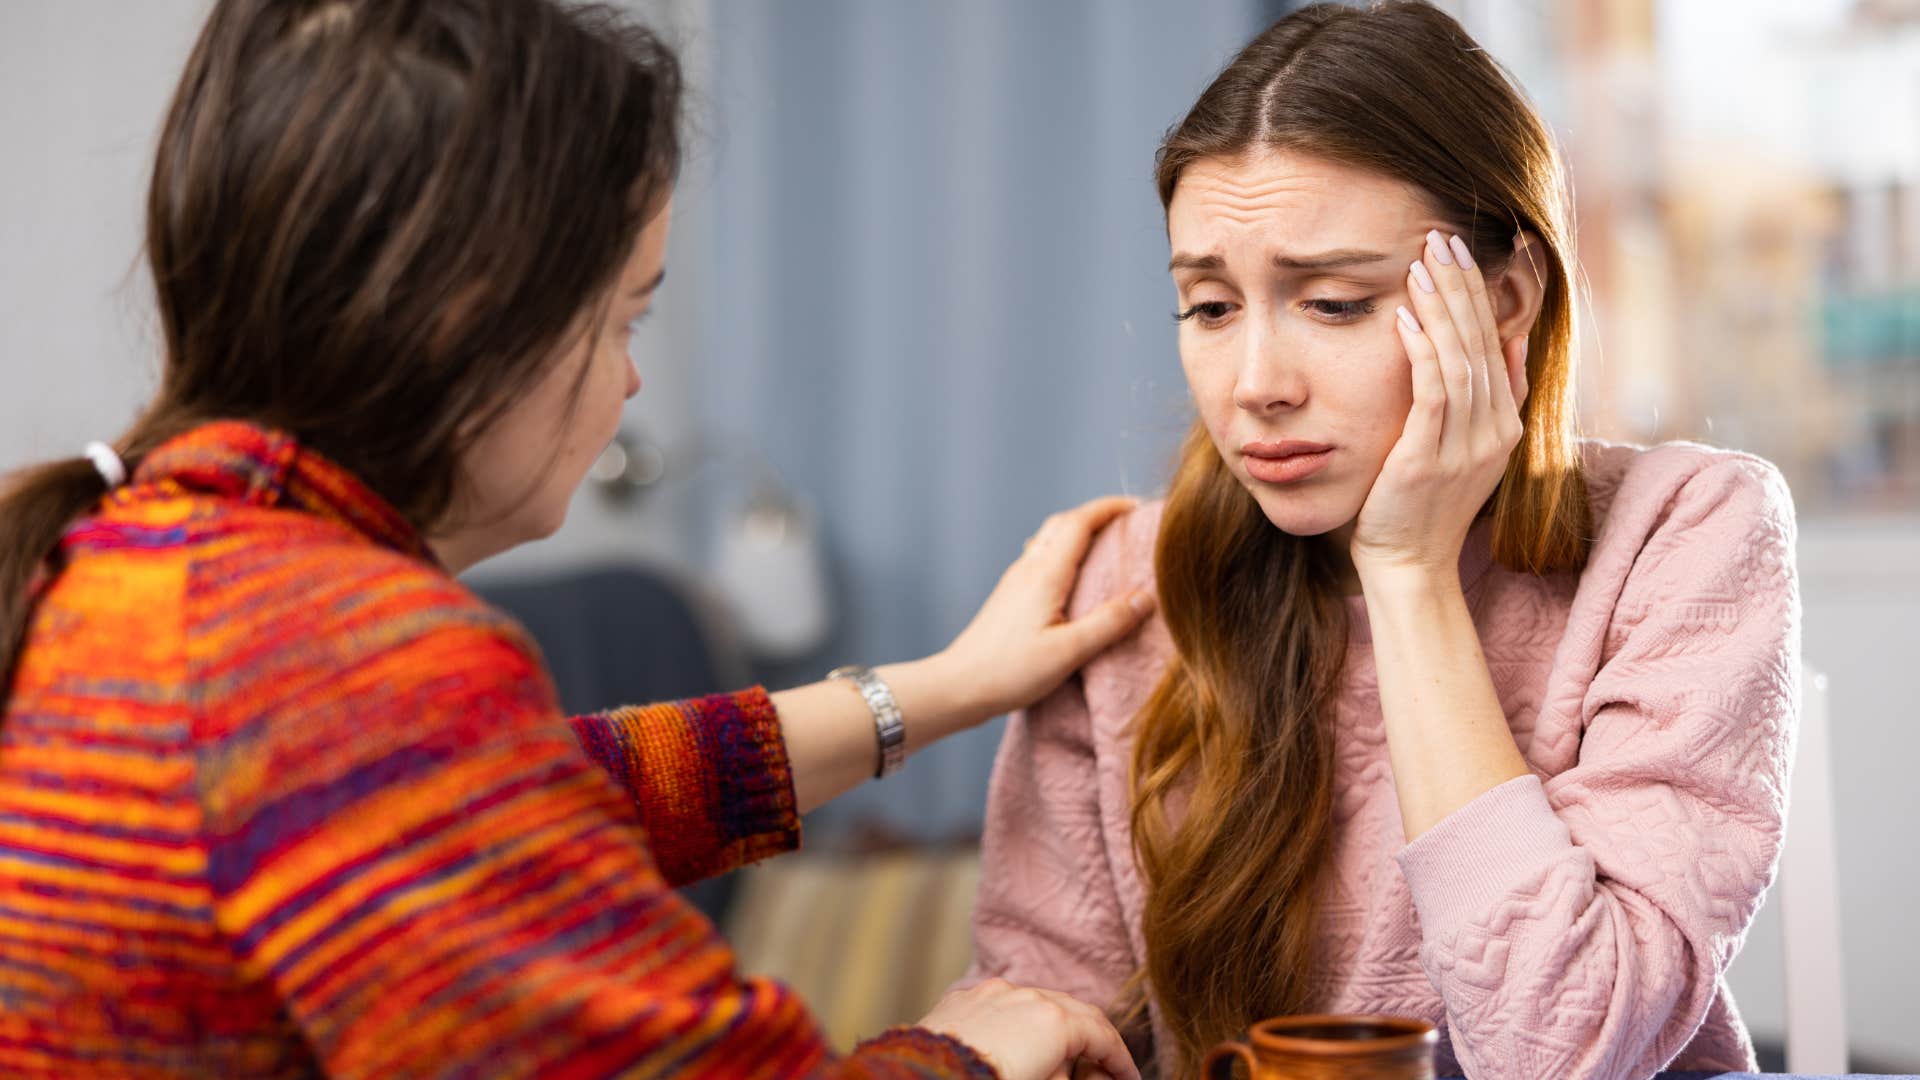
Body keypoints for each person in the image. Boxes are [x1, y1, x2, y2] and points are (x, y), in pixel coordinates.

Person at [0, 2, 1150, 1078]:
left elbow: (563, 790)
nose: (634, 376)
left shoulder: (131, 572)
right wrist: (964, 1047)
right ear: (473, 317)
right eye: (624, 316)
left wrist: (949, 686)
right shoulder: (331, 662)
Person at [961, 4, 1798, 1079]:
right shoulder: (1127, 582)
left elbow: (1564, 1049)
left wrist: (1409, 577)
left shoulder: (1685, 533)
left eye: (1335, 303)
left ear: (1503, 300)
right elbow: (1034, 1025)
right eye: (1210, 308)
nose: (1257, 385)